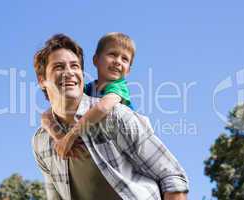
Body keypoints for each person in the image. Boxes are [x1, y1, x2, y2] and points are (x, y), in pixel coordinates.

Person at [32, 33, 189, 200]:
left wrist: (70, 136)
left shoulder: (114, 113)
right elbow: (47, 115)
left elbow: (173, 177)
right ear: (42, 80)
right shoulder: (41, 142)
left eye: (75, 66)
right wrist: (58, 136)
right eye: (59, 67)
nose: (69, 73)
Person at [41, 32, 135, 159]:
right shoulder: (88, 88)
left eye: (125, 59)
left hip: (128, 143)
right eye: (112, 54)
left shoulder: (119, 87)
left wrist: (71, 136)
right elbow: (46, 116)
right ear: (95, 60)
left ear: (128, 70)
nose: (118, 61)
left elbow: (102, 108)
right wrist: (60, 138)